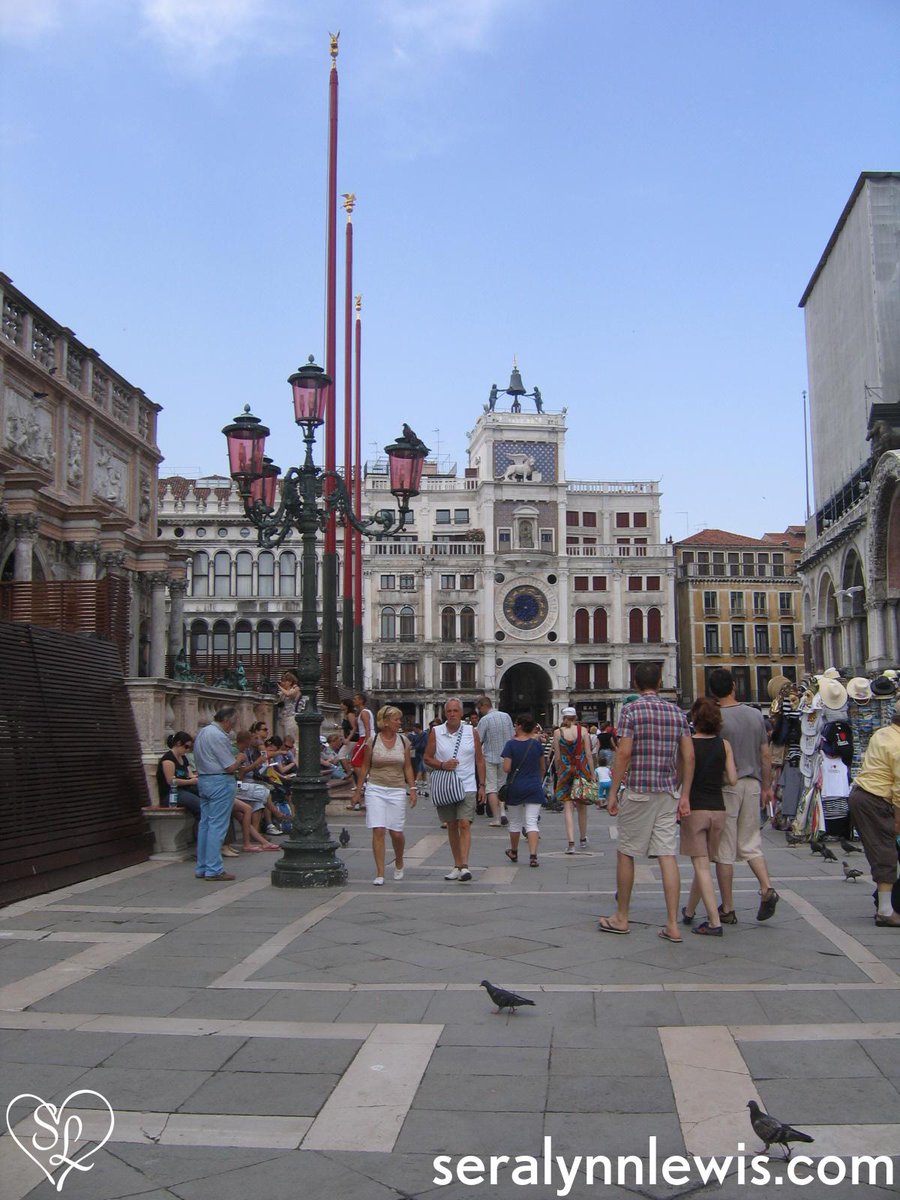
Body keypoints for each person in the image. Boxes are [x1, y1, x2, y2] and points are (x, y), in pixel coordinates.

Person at [598, 664, 693, 941]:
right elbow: (689, 757)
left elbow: (624, 753)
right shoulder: (677, 713)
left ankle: (622, 917)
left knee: (626, 852)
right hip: (667, 793)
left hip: (639, 790)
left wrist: (613, 792)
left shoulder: (631, 710)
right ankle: (673, 924)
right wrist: (684, 793)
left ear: (635, 683)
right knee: (666, 855)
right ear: (661, 682)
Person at [707, 668, 779, 923]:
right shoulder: (755, 715)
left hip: (727, 786)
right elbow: (766, 754)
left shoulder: (715, 719)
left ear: (712, 690)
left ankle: (727, 908)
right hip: (753, 784)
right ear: (734, 687)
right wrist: (768, 787)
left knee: (724, 849)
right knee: (750, 842)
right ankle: (766, 887)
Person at [680, 697, 737, 936]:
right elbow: (733, 779)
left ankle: (714, 922)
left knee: (701, 866)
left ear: (695, 718)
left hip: (696, 809)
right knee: (702, 864)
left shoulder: (687, 744)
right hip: (718, 810)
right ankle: (690, 911)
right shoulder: (724, 745)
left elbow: (681, 775)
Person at [848, 697, 900, 927]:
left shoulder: (882, 733)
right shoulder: (898, 744)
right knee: (885, 852)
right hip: (875, 799)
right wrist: (898, 820)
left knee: (883, 850)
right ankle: (886, 911)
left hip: (861, 794)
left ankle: (886, 904)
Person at [424, 697, 486, 882]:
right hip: (445, 785)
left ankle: (465, 866)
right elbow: (427, 758)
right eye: (449, 711)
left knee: (464, 823)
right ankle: (457, 864)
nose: (452, 714)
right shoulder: (436, 731)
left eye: (455, 711)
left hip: (467, 785)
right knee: (451, 825)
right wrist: (442, 764)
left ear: (461, 713)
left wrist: (482, 785)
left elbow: (480, 760)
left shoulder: (471, 732)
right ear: (445, 713)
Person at [358, 705, 417, 885]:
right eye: (396, 719)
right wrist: (358, 790)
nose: (399, 722)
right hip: (375, 787)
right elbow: (365, 766)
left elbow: (407, 766)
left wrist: (413, 788)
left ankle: (399, 860)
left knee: (396, 832)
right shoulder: (372, 741)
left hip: (397, 788)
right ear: (385, 722)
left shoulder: (403, 741)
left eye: (399, 719)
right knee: (379, 829)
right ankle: (380, 872)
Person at [192, 707, 244, 881]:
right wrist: (240, 759)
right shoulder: (219, 736)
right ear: (227, 721)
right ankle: (214, 868)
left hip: (204, 780)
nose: (233, 728)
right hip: (220, 781)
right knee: (217, 826)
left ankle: (202, 866)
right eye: (233, 723)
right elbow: (229, 766)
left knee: (205, 824)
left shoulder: (202, 732)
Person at [501, 713, 547, 867]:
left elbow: (506, 768)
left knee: (515, 822)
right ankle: (533, 856)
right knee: (532, 822)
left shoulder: (510, 745)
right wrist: (536, 780)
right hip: (534, 786)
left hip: (515, 787)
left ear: (520, 726)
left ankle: (514, 851)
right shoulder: (536, 745)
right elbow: (542, 767)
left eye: (515, 724)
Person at [553, 707, 595, 853]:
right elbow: (589, 754)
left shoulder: (558, 733)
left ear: (563, 717)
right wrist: (592, 773)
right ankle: (583, 838)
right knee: (582, 806)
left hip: (565, 770)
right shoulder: (583, 731)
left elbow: (557, 757)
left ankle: (571, 843)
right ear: (575, 717)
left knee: (568, 806)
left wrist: (559, 773)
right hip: (581, 769)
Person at [477, 694, 515, 827]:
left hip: (490, 757)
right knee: (502, 786)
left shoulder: (484, 720)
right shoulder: (506, 717)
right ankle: (503, 812)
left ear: (484, 706)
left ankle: (496, 818)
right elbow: (512, 737)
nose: (479, 712)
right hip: (506, 757)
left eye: (479, 709)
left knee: (491, 787)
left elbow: (479, 740)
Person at [155, 732, 201, 820]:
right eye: (186, 747)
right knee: (198, 805)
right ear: (178, 743)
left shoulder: (183, 758)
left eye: (189, 748)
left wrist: (196, 778)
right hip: (170, 794)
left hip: (185, 789)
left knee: (207, 796)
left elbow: (190, 775)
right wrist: (190, 781)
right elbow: (171, 781)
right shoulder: (168, 759)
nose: (187, 750)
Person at [350, 692, 376, 810]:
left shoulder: (364, 713)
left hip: (365, 738)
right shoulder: (361, 712)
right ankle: (365, 781)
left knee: (355, 761)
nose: (353, 700)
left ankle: (365, 781)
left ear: (361, 700)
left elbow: (367, 728)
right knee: (358, 762)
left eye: (355, 698)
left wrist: (367, 742)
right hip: (364, 738)